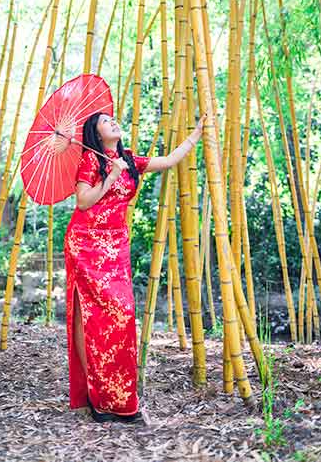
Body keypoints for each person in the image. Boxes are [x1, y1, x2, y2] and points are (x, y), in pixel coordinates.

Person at [63, 110, 206, 423]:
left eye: (111, 119)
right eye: (104, 121)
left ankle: (118, 397)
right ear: (95, 133)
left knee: (123, 316)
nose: (112, 121)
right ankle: (98, 397)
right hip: (86, 243)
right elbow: (83, 202)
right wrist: (110, 177)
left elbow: (169, 160)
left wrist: (196, 133)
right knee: (91, 317)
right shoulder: (91, 161)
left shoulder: (129, 160)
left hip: (116, 246)